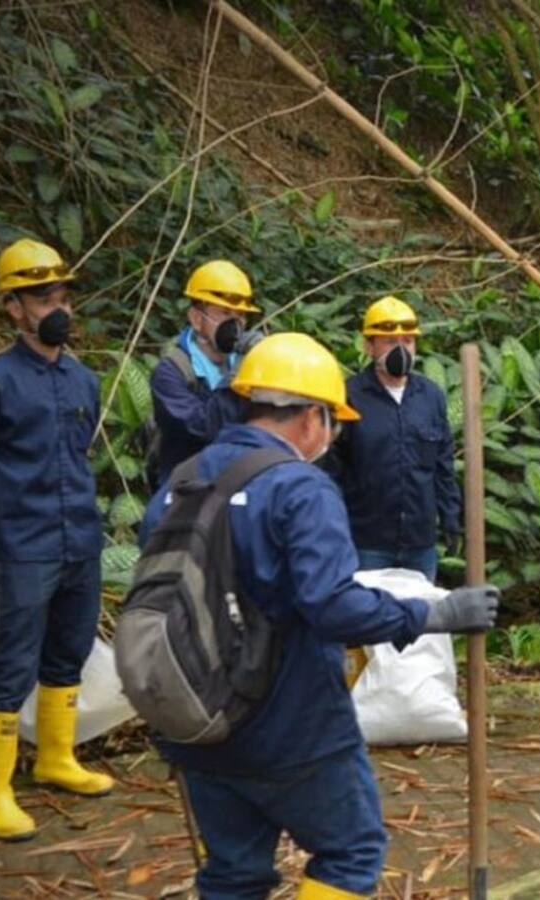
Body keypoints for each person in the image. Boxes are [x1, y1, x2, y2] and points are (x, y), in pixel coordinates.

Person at [150, 332, 499, 898]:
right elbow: (332, 604)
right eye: (333, 421)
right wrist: (433, 614)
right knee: (351, 851)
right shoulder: (298, 487)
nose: (333, 435)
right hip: (291, 722)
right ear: (311, 417)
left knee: (233, 874)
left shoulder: (181, 481)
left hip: (195, 719)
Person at [0, 238, 113, 841]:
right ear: (14, 307)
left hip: (81, 539)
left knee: (68, 650)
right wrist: (16, 501)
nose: (57, 305)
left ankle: (56, 758)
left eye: (62, 293)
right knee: (14, 660)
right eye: (42, 296)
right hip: (27, 541)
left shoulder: (83, 380)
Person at [324, 297, 460, 581]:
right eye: (389, 341)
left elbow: (443, 463)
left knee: (421, 621)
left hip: (419, 544)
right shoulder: (348, 397)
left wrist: (450, 516)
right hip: (366, 544)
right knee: (366, 621)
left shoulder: (431, 396)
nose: (401, 349)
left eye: (408, 341)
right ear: (369, 346)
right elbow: (330, 470)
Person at [147, 259, 258, 487]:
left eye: (240, 316)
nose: (235, 325)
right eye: (224, 313)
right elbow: (201, 427)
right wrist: (240, 376)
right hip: (186, 495)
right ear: (197, 318)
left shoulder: (249, 365)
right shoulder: (171, 372)